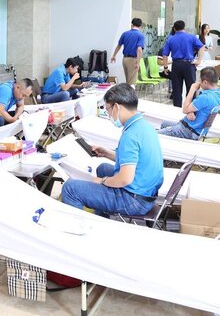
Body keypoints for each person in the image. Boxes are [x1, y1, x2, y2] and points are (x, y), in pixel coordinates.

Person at [61, 83, 163, 216]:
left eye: (107, 109)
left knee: (70, 188)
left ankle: (79, 227)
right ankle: (101, 216)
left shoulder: (130, 136)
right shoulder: (144, 126)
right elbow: (136, 160)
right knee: (103, 168)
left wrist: (103, 181)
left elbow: (125, 179)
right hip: (147, 193)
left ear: (116, 107)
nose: (108, 114)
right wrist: (107, 153)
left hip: (133, 200)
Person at [158, 67, 220, 140]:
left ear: (205, 82)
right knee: (164, 123)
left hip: (188, 131)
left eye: (200, 80)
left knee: (152, 135)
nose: (199, 82)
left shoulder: (205, 97)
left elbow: (184, 110)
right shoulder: (218, 94)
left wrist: (192, 89)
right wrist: (191, 111)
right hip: (195, 129)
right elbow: (200, 108)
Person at [160, 20, 205, 107]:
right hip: (189, 65)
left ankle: (177, 109)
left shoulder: (171, 39)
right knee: (191, 88)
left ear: (174, 28)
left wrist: (165, 67)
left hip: (176, 65)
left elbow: (164, 55)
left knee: (176, 90)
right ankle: (190, 109)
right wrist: (199, 60)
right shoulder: (191, 37)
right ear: (184, 27)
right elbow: (202, 47)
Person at [110, 18, 145, 86]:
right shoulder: (140, 35)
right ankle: (130, 93)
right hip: (133, 60)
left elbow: (119, 45)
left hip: (125, 59)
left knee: (128, 81)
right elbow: (139, 50)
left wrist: (114, 56)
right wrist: (138, 62)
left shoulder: (125, 34)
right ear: (140, 26)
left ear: (132, 24)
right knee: (131, 83)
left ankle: (127, 92)